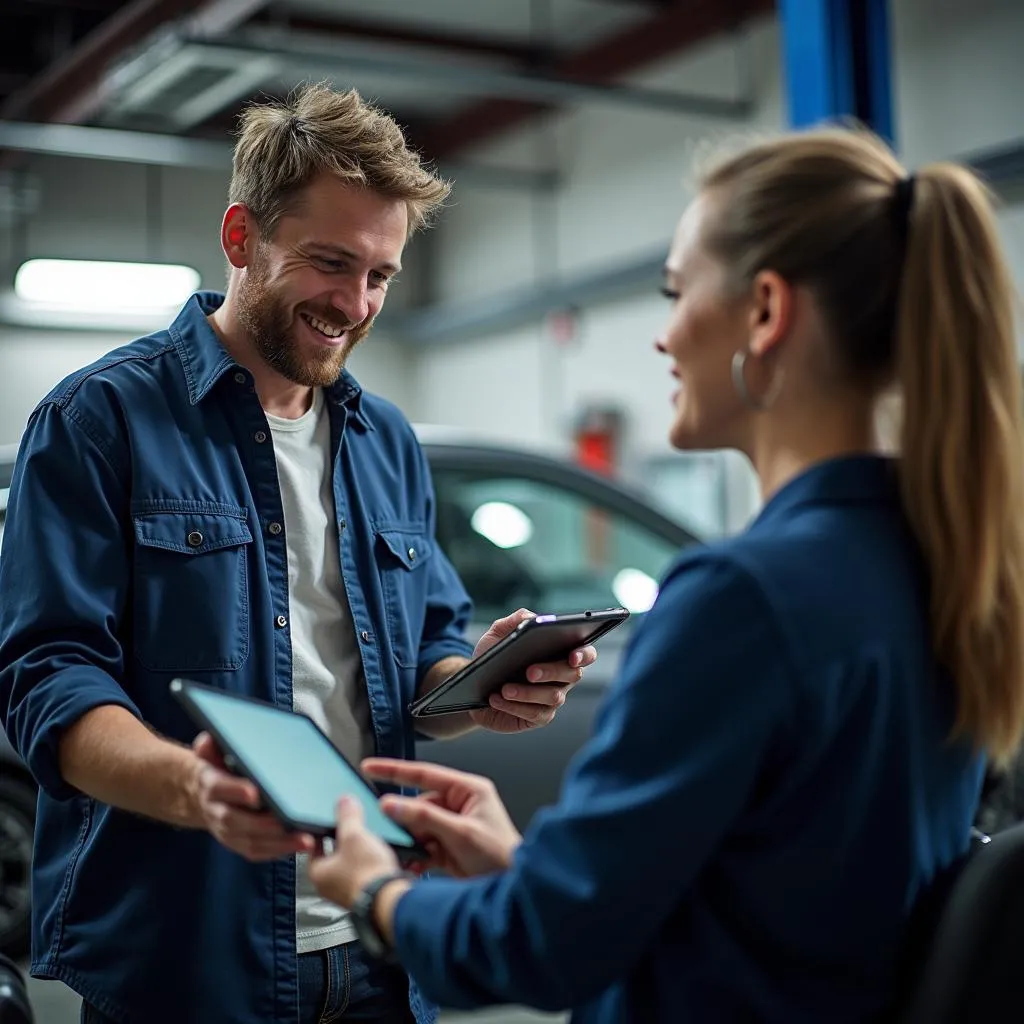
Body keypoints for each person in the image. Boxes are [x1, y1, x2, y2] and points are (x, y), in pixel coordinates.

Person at [304, 126, 1024, 1023]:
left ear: (765, 313)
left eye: (675, 292)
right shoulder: (939, 570)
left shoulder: (743, 599)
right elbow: (780, 905)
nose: (663, 336)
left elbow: (537, 953)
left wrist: (378, 891)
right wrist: (531, 873)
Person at [0, 84, 596, 1024]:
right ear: (242, 237)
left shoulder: (385, 441)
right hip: (187, 955)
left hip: (379, 944)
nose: (355, 304)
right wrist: (197, 790)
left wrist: (480, 685)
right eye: (330, 263)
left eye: (381, 276)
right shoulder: (98, 421)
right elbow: (50, 681)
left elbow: (419, 663)